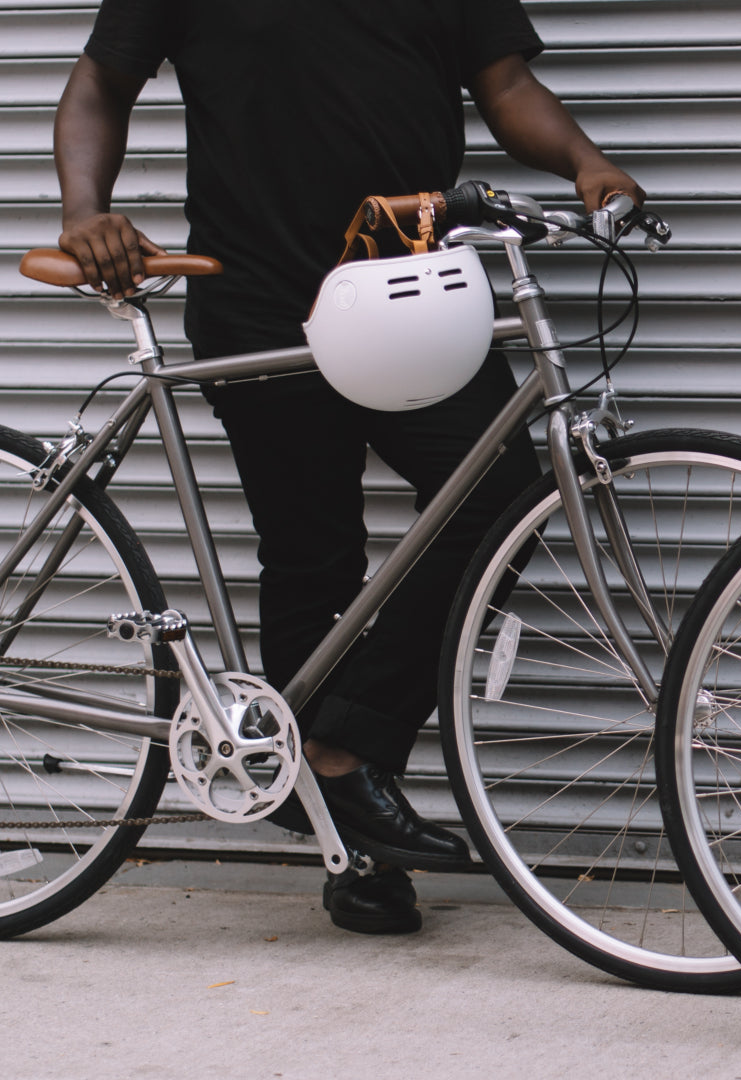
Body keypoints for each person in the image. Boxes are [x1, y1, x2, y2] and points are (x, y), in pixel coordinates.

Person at [54, 0, 645, 935]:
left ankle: (338, 750)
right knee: (310, 558)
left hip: (414, 289)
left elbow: (507, 84)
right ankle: (352, 849)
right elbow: (100, 82)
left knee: (499, 504)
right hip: (255, 296)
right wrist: (85, 210)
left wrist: (583, 162)